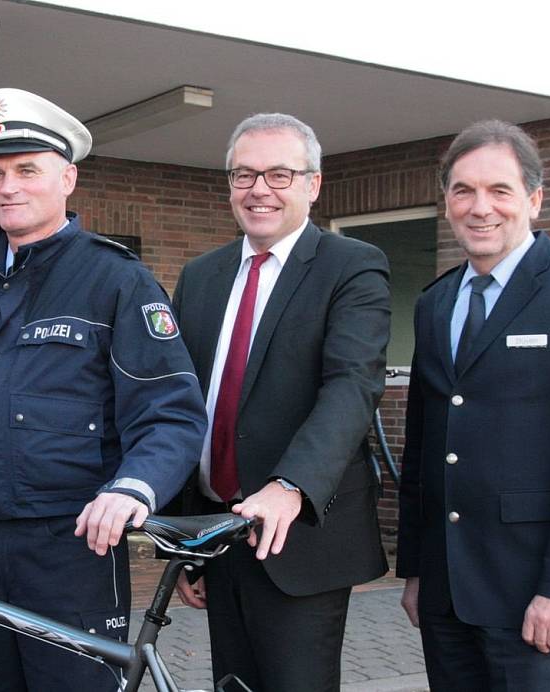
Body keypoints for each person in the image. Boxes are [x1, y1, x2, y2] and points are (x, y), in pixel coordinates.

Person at [0, 88, 206, 691]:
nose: (9, 187)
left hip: (72, 545)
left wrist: (133, 489)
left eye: (27, 170)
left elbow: (172, 413)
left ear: (67, 178)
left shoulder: (116, 279)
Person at [396, 119, 550, 691]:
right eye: (463, 190)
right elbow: (424, 449)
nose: (480, 207)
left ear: (533, 199)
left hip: (538, 596)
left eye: (499, 190)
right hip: (448, 592)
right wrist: (416, 570)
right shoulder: (435, 303)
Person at [169, 113, 392, 691]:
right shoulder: (201, 276)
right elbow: (187, 400)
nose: (259, 190)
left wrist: (291, 485)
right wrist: (189, 543)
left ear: (313, 184)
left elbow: (352, 387)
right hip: (219, 532)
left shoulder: (352, 267)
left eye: (279, 174)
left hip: (298, 537)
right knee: (232, 685)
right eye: (244, 175)